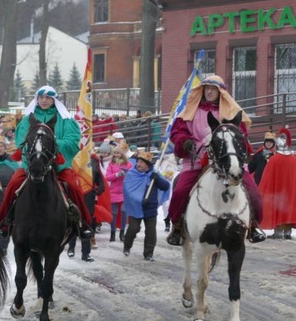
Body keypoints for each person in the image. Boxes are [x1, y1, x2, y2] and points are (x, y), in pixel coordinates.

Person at [166, 74, 265, 245]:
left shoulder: (232, 112)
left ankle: (253, 225)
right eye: (207, 89)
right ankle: (178, 226)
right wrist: (185, 141)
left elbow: (241, 136)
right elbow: (177, 132)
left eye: (213, 89)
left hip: (228, 161)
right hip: (197, 159)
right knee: (180, 191)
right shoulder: (190, 110)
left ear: (221, 92)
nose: (210, 92)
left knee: (254, 193)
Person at [0, 85, 93, 240]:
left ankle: (82, 224)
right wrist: (36, 151)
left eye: (48, 97)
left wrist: (49, 144)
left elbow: (73, 142)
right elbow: (21, 142)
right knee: (14, 184)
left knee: (73, 186)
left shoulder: (66, 119)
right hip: (32, 165)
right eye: (41, 97)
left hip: (58, 167)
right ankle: (3, 223)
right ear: (37, 99)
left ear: (54, 100)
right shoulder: (28, 119)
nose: (44, 100)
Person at [122, 151, 170, 261]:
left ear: (147, 165)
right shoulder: (131, 174)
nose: (138, 164)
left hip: (150, 208)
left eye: (141, 162)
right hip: (136, 207)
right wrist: (139, 200)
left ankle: (148, 253)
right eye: (138, 161)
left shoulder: (154, 174)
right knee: (133, 228)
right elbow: (127, 191)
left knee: (151, 232)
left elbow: (165, 186)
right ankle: (127, 246)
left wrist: (156, 178)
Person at [67, 152, 106, 261]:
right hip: (75, 197)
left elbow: (99, 178)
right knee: (73, 222)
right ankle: (71, 248)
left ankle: (86, 253)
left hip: (89, 198)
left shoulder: (94, 162)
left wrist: (101, 187)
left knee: (87, 225)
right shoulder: (73, 162)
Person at [260, 128, 296, 240]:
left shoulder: (274, 159)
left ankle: (278, 231)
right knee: (289, 204)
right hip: (290, 193)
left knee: (278, 203)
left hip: (277, 193)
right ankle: (287, 231)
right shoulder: (294, 159)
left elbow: (267, 180)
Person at [104, 141, 132, 242]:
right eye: (115, 153)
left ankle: (122, 232)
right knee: (114, 213)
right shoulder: (111, 164)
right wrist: (117, 175)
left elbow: (132, 176)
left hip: (125, 192)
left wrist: (126, 175)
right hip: (114, 191)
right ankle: (112, 233)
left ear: (123, 154)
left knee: (124, 211)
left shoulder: (128, 164)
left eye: (118, 153)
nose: (116, 155)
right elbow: (107, 177)